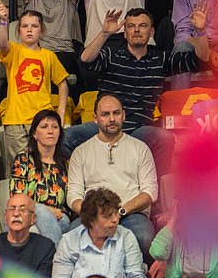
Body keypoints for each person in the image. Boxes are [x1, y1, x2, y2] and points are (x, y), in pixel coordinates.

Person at [68, 10, 206, 169]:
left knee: (164, 138)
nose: (137, 30)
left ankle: (156, 185)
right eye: (131, 26)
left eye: (142, 26)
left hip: (138, 131)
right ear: (125, 33)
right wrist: (105, 33)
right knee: (67, 137)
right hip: (104, 128)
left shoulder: (161, 59)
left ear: (152, 32)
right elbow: (85, 60)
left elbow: (200, 61)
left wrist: (201, 32)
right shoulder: (112, 55)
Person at [65, 94, 161, 254]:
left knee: (144, 238)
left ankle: (137, 269)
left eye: (116, 113)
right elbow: (73, 195)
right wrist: (93, 213)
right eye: (105, 114)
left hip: (131, 213)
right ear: (95, 118)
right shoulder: (81, 152)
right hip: (93, 215)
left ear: (123, 115)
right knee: (73, 239)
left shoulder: (140, 148)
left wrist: (121, 210)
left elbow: (150, 191)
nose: (111, 119)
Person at [51, 188, 149, 278]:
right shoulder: (69, 240)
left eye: (116, 213)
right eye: (108, 216)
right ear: (91, 220)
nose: (115, 219)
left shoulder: (126, 237)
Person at [0, 8, 70, 167]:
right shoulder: (14, 50)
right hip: (16, 121)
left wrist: (61, 112)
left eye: (34, 26)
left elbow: (63, 83)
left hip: (43, 121)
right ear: (19, 31)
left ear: (41, 30)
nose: (29, 30)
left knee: (44, 168)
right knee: (17, 171)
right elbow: (2, 44)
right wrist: (3, 21)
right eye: (24, 26)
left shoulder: (49, 55)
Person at [7, 110, 72, 243]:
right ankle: (54, 255)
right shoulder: (24, 159)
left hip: (60, 218)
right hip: (27, 215)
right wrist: (47, 210)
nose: (50, 131)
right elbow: (17, 196)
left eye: (55, 127)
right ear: (34, 134)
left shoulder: (66, 162)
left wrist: (52, 212)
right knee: (40, 215)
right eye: (44, 127)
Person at [0, 193, 57, 278]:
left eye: (22, 210)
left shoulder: (45, 247)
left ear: (33, 218)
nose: (16, 214)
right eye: (12, 209)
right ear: (5, 217)